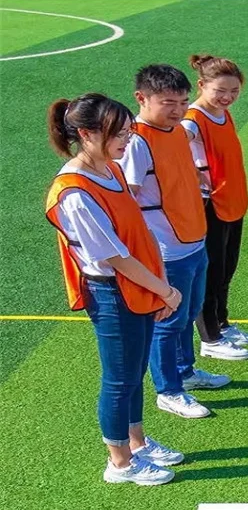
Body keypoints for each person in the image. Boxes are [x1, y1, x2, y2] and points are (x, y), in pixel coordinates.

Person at [45, 93, 184, 485]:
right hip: (112, 292)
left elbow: (134, 236)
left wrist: (157, 288)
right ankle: (119, 463)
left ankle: (137, 443)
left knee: (135, 371)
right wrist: (165, 291)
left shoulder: (111, 169)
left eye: (127, 131)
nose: (127, 140)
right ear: (87, 134)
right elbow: (115, 258)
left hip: (136, 285)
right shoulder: (74, 193)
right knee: (119, 378)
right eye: (118, 133)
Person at [121, 63, 230, 420]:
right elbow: (128, 200)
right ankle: (168, 391)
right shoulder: (136, 142)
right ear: (142, 98)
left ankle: (186, 371)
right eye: (168, 102)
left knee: (187, 313)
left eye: (183, 101)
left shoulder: (177, 132)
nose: (179, 110)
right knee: (168, 322)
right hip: (166, 250)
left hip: (194, 240)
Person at [182, 53, 248, 361]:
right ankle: (210, 338)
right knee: (211, 272)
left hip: (232, 201)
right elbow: (169, 149)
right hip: (208, 205)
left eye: (234, 91)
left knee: (226, 268)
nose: (228, 97)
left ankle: (223, 323)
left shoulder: (223, 114)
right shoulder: (192, 120)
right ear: (201, 85)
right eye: (220, 91)